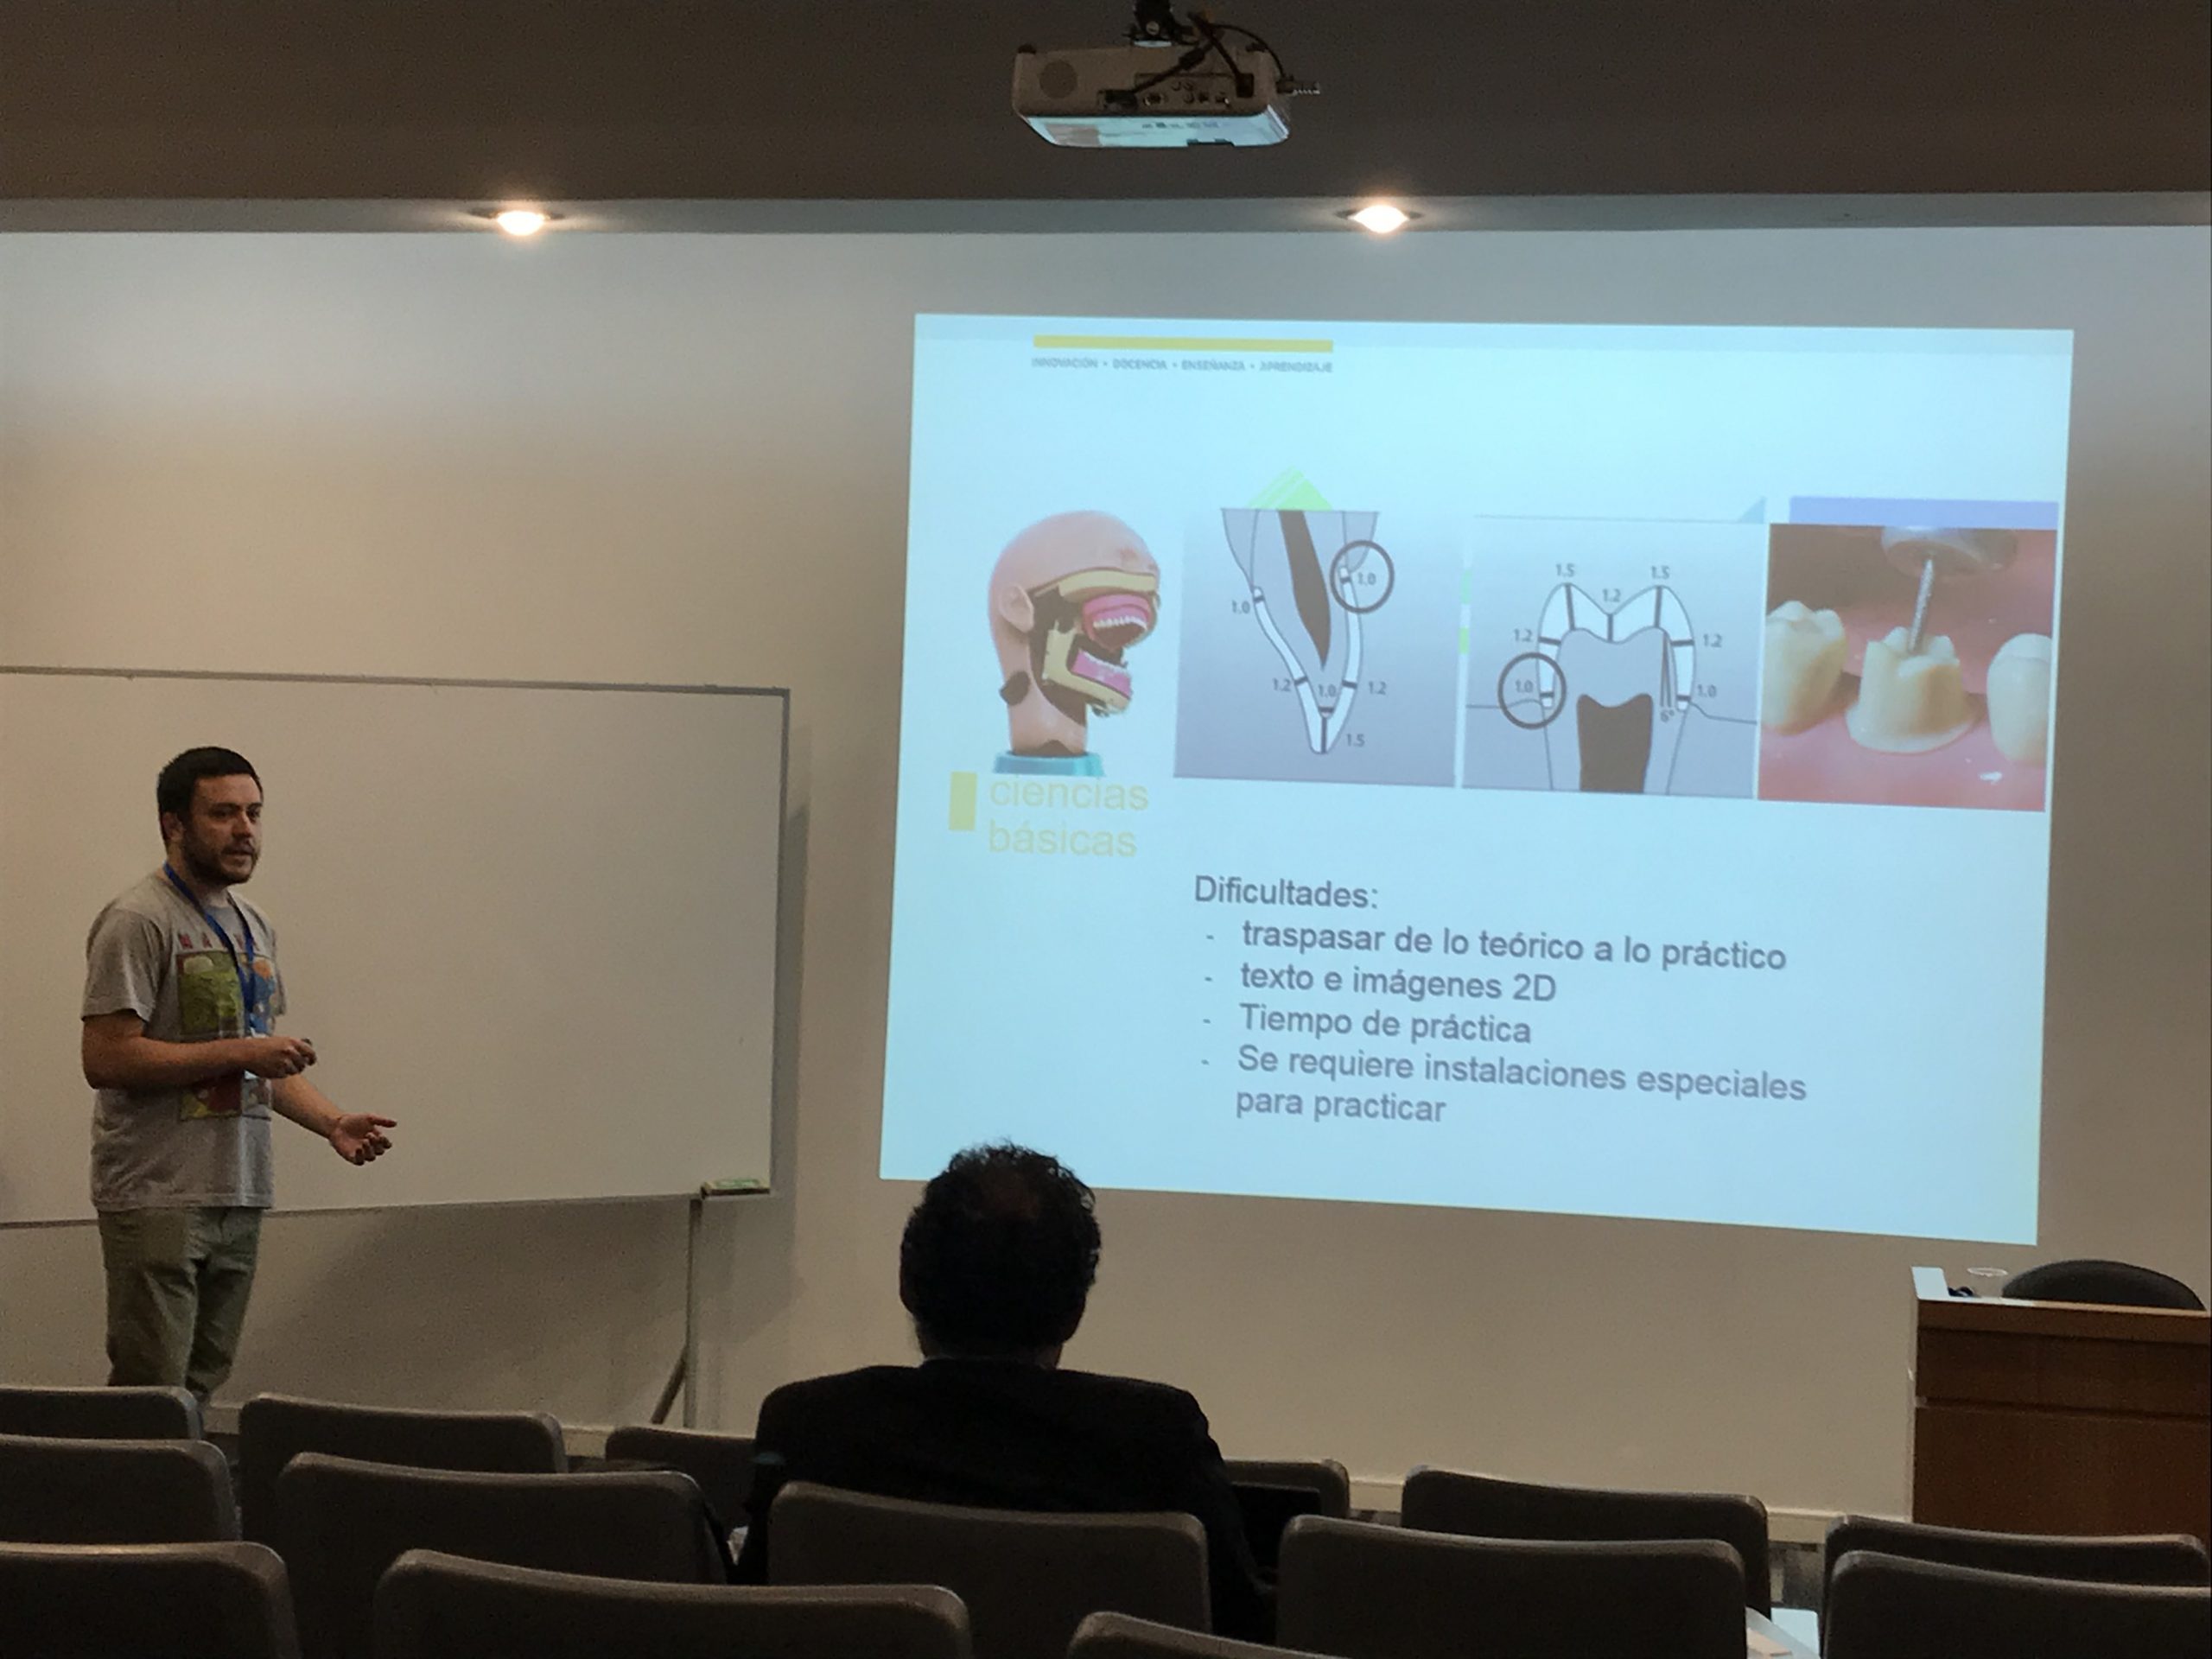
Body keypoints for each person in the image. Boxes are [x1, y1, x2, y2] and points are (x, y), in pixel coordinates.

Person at [733, 1143, 1269, 1639]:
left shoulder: (808, 1425)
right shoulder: (1157, 1438)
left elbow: (750, 1620)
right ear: (1075, 1310)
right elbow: (1243, 1631)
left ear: (907, 1286)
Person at [79, 747, 397, 1402]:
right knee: (152, 1391)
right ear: (174, 825)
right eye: (223, 814)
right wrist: (241, 1054)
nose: (244, 830)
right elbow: (107, 1057)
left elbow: (259, 1058)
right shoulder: (139, 919)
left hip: (240, 1187)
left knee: (204, 1384)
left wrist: (332, 1122)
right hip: (158, 1191)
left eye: (254, 813)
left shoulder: (255, 926)